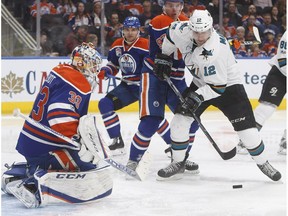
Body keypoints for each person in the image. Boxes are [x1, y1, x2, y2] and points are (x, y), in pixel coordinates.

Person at [154, 9, 281, 181]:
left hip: (228, 88)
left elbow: (217, 87)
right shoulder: (181, 29)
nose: (200, 37)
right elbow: (169, 36)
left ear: (211, 28)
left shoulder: (215, 50)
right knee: (179, 121)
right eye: (196, 32)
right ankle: (178, 161)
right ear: (190, 27)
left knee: (248, 134)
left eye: (204, 32)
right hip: (201, 83)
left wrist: (197, 97)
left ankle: (263, 162)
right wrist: (165, 56)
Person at [1, 43, 113, 208]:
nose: (95, 70)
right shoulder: (78, 82)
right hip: (45, 144)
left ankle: (17, 174)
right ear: (82, 64)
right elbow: (58, 115)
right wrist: (78, 141)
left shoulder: (60, 71)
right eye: (93, 65)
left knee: (79, 156)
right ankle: (36, 183)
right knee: (86, 162)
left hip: (31, 141)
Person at [125, 0, 200, 174]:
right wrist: (161, 59)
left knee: (192, 120)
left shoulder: (188, 23)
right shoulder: (158, 21)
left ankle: (180, 159)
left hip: (177, 78)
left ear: (182, 6)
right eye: (169, 5)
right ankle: (133, 161)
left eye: (177, 5)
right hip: (154, 76)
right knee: (151, 121)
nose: (173, 9)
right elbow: (157, 50)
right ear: (163, 6)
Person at [97, 16, 170, 155]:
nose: (130, 33)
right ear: (122, 30)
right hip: (127, 87)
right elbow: (113, 65)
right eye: (127, 29)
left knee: (152, 116)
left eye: (133, 30)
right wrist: (106, 71)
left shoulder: (146, 45)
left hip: (146, 86)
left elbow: (155, 66)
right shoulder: (117, 45)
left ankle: (173, 144)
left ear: (139, 31)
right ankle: (116, 139)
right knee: (105, 104)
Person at [237, 31, 286, 155]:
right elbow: (283, 60)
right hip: (280, 74)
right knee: (266, 109)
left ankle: (285, 143)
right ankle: (246, 141)